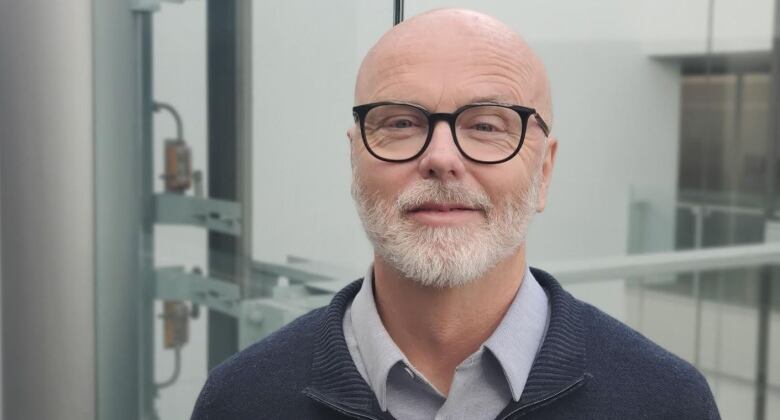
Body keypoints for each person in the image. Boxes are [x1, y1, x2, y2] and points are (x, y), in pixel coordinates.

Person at [191, 8, 719, 420]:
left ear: (545, 172)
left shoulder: (667, 405)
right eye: (399, 123)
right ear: (355, 160)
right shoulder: (240, 402)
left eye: (487, 126)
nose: (441, 158)